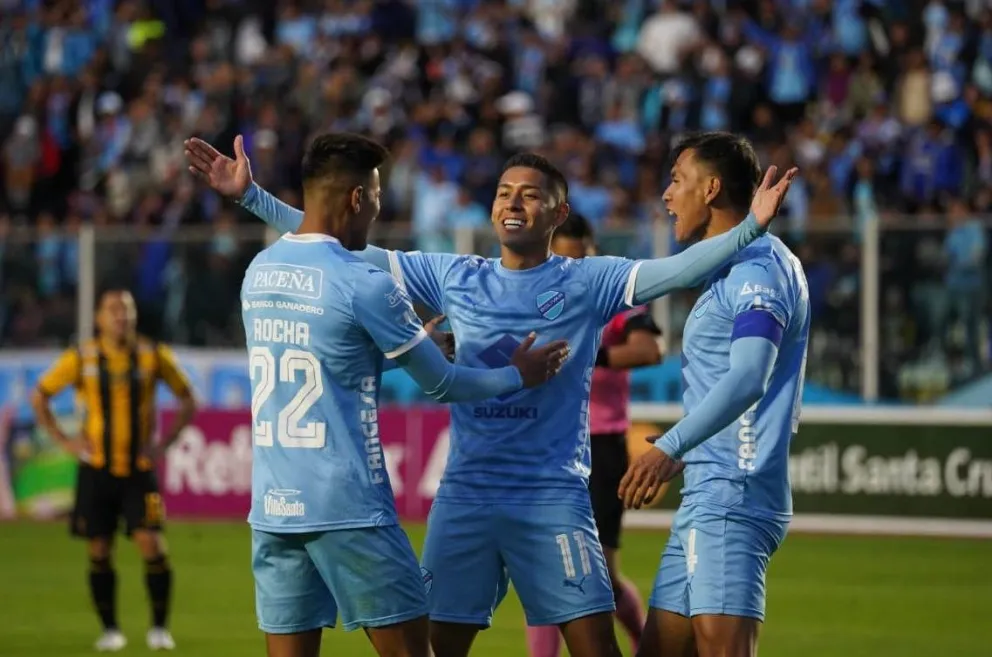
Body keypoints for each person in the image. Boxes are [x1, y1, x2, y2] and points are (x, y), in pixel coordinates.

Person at [184, 134, 795, 657]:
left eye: (530, 194)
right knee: (437, 648)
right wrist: (251, 197)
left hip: (552, 495)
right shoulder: (454, 275)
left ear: (557, 216)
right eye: (505, 192)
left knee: (596, 648)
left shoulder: (590, 280)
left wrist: (749, 228)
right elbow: (334, 242)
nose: (513, 202)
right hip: (467, 495)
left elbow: (680, 271)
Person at [238, 132, 568, 657]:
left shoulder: (259, 272)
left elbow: (331, 361)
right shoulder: (362, 282)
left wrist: (401, 348)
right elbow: (444, 383)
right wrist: (516, 375)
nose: (377, 206)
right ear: (355, 199)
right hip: (348, 505)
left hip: (274, 508)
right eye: (374, 195)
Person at [619, 132, 809, 657]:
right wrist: (691, 445)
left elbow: (750, 377)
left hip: (733, 495)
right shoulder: (731, 267)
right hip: (707, 493)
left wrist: (671, 446)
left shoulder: (757, 271)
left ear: (711, 189)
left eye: (676, 179)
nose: (665, 194)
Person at [526, 212, 664, 657]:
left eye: (576, 259)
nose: (568, 270)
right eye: (559, 260)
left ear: (590, 249)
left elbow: (648, 350)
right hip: (548, 443)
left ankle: (643, 636)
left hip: (600, 445)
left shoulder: (616, 300)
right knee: (545, 567)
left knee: (600, 570)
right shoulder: (534, 298)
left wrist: (591, 353)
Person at [31, 289, 197, 652]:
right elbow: (40, 395)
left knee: (152, 545)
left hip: (139, 471)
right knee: (99, 550)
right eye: (113, 310)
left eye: (127, 310)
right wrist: (65, 441)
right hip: (97, 471)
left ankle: (159, 628)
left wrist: (164, 444)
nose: (121, 316)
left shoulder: (154, 355)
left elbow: (188, 398)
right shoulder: (82, 357)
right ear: (99, 318)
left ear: (135, 316)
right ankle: (110, 629)